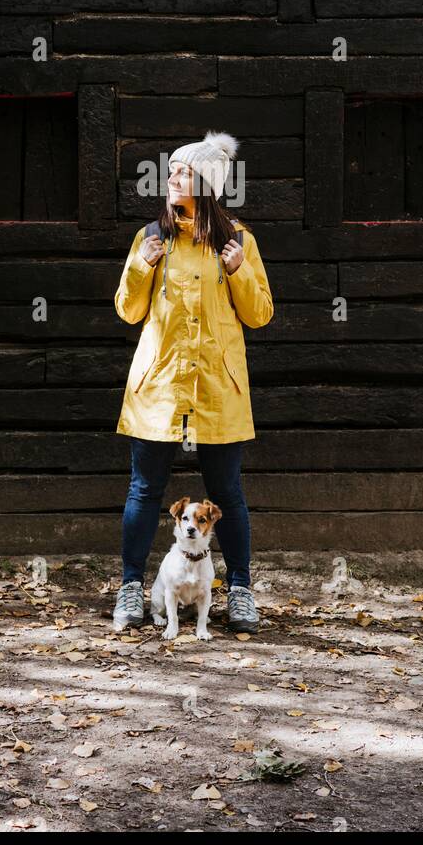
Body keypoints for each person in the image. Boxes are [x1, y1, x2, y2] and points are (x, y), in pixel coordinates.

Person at [112, 130, 274, 634]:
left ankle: (241, 590)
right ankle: (132, 588)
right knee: (144, 490)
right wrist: (143, 267)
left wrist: (240, 272)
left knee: (227, 491)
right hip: (159, 388)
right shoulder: (150, 238)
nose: (171, 178)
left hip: (218, 390)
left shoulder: (239, 242)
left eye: (181, 172)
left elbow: (261, 314)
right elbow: (127, 309)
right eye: (172, 170)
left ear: (205, 184)